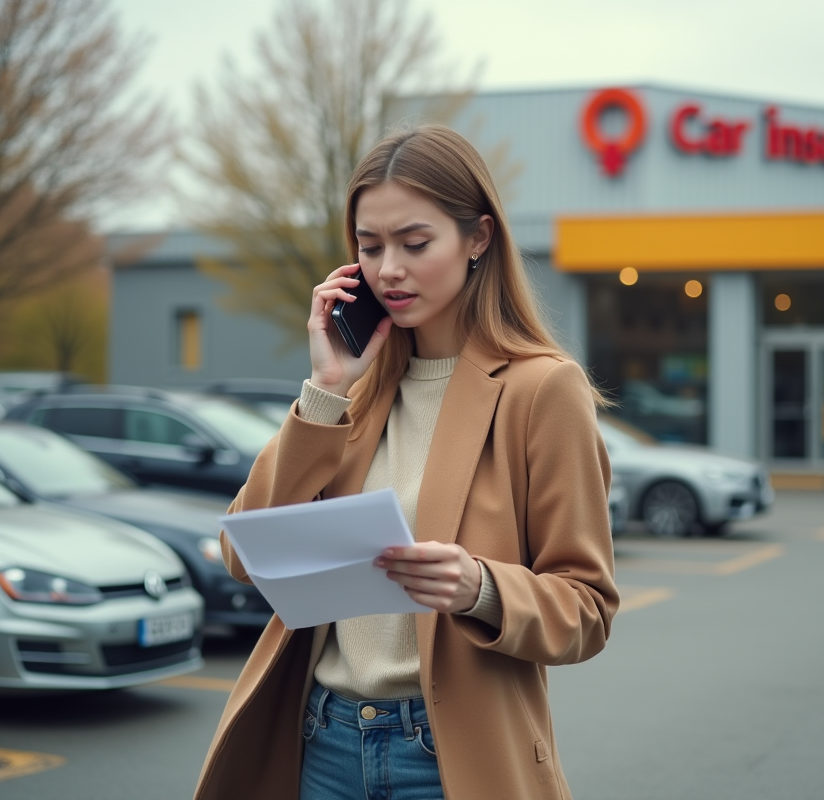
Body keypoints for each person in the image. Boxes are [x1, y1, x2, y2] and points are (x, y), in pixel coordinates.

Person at [194, 124, 619, 800]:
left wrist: (479, 588)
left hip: (447, 759)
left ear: (478, 237)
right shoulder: (351, 389)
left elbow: (588, 609)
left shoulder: (541, 388)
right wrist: (326, 389)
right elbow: (244, 555)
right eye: (369, 246)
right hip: (319, 743)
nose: (388, 268)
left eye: (415, 243)